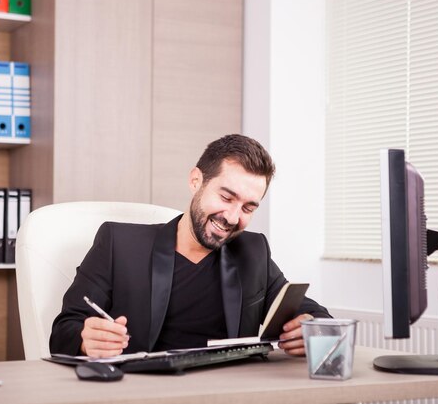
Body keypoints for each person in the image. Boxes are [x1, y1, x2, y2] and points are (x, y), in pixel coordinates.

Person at [50, 134, 331, 358]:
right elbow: (64, 330)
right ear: (196, 181)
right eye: (226, 197)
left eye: (248, 207)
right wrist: (87, 340)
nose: (233, 217)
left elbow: (317, 316)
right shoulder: (119, 244)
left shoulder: (253, 251)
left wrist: (312, 331)